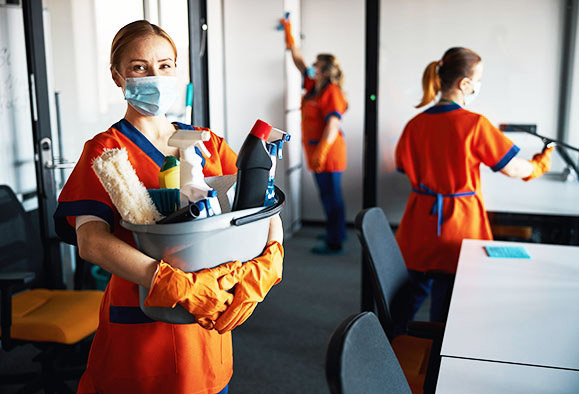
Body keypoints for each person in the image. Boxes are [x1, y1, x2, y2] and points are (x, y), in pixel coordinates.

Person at [53, 20, 284, 394]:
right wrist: (171, 283)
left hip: (208, 319)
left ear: (176, 70)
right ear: (118, 76)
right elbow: (91, 242)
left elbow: (263, 205)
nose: (154, 75)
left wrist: (269, 262)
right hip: (144, 325)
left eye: (164, 65)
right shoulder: (107, 150)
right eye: (139, 67)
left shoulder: (206, 142)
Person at [393, 47, 553, 332]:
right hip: (458, 224)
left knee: (408, 295)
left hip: (418, 224)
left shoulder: (414, 125)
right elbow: (514, 168)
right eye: (478, 79)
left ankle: (385, 346)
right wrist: (541, 163)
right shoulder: (474, 124)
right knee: (450, 302)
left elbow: (404, 168)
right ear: (464, 84)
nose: (479, 85)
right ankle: (438, 359)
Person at [281, 16, 348, 255]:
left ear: (324, 70)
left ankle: (335, 240)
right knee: (327, 194)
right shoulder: (313, 85)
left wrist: (321, 150)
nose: (312, 66)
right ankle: (334, 230)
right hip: (315, 149)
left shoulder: (331, 92)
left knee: (332, 197)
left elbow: (332, 124)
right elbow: (299, 61)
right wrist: (289, 36)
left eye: (316, 64)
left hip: (328, 151)